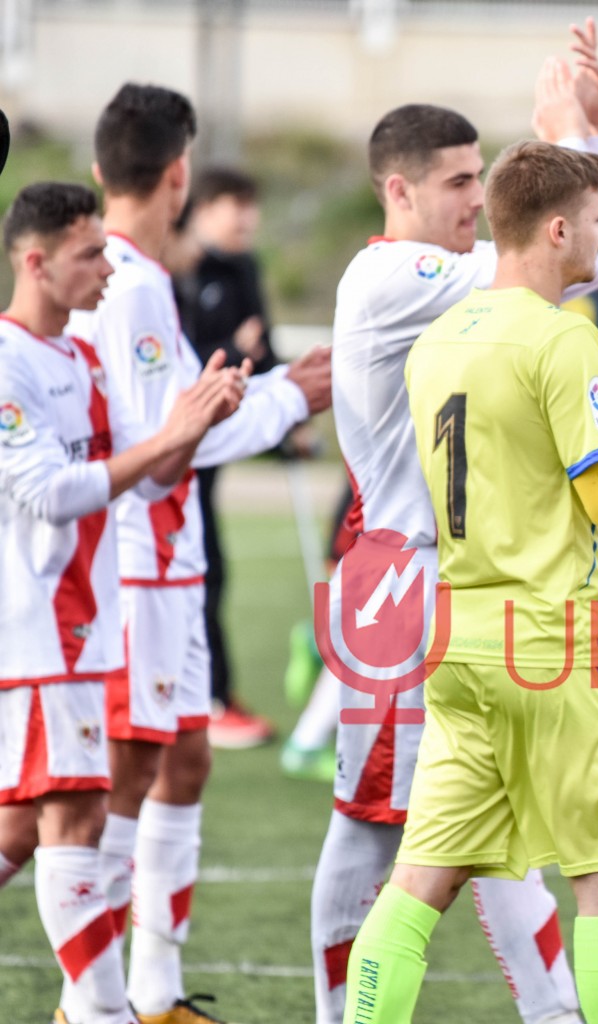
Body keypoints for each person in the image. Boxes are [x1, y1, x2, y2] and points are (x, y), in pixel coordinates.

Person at [315, 24, 598, 1024]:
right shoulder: (396, 279)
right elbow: (579, 252)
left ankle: (551, 1011)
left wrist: (590, 133)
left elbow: (563, 237)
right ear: (399, 191)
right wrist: (580, 140)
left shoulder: (454, 302)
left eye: (477, 178)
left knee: (463, 843)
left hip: (455, 592)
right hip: (409, 582)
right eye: (455, 181)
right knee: (382, 841)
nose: (472, 198)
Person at [341, 138, 598, 1024]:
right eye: (594, 221)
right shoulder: (564, 334)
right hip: (556, 647)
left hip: (460, 638)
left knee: (416, 887)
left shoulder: (437, 340)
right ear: (556, 228)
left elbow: (521, 470)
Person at [66, 82, 333, 1024]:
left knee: (183, 762)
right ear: (178, 176)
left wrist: (249, 399)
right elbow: (163, 443)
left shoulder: (129, 273)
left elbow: (184, 420)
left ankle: (153, 989)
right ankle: (88, 998)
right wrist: (288, 398)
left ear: (105, 170)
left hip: (164, 561)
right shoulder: (130, 282)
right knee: (124, 779)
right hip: (137, 563)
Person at [0, 181, 243, 1024]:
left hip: (89, 625)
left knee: (32, 827)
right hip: (36, 627)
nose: (108, 267)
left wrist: (198, 421)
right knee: (72, 816)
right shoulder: (6, 361)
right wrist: (171, 438)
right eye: (88, 253)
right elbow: (54, 494)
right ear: (36, 263)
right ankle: (102, 1016)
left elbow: (152, 470)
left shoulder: (80, 358)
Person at [181, 164, 282, 751]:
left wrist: (288, 419)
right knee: (202, 569)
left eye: (251, 205)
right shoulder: (177, 271)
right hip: (177, 451)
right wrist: (231, 350)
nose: (247, 218)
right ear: (202, 208)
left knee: (212, 569)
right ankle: (207, 697)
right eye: (233, 204)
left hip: (214, 449)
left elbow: (262, 351)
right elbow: (187, 360)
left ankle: (214, 693)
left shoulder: (244, 268)